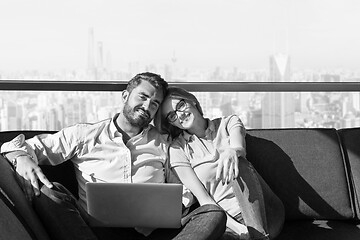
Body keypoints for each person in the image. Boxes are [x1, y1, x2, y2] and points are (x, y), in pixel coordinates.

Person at [0, 73, 227, 240]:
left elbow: (183, 187)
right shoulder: (85, 135)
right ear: (125, 95)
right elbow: (21, 146)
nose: (147, 106)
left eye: (155, 103)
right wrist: (20, 156)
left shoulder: (164, 142)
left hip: (154, 234)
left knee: (213, 214)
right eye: (143, 97)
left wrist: (170, 210)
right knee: (50, 192)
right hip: (95, 232)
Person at [154, 87, 285, 240]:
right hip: (230, 222)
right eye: (171, 116)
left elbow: (239, 147)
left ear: (193, 101)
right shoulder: (178, 150)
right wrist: (241, 230)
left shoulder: (228, 122)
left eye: (181, 105)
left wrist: (233, 151)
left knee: (239, 163)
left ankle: (257, 235)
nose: (179, 115)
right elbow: (205, 201)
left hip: (266, 211)